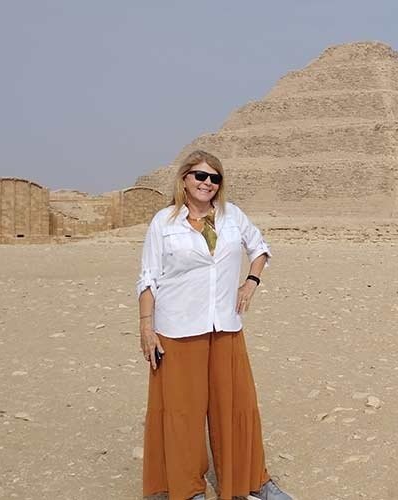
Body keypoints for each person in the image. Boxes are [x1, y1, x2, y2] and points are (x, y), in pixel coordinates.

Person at [136, 150, 293, 500]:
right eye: (200, 176)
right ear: (184, 179)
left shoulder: (231, 216)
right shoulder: (164, 222)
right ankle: (185, 488)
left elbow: (260, 248)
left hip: (225, 326)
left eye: (214, 178)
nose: (207, 183)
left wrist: (251, 282)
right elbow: (148, 278)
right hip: (177, 329)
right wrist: (146, 325)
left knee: (236, 408)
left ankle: (251, 482)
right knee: (181, 413)